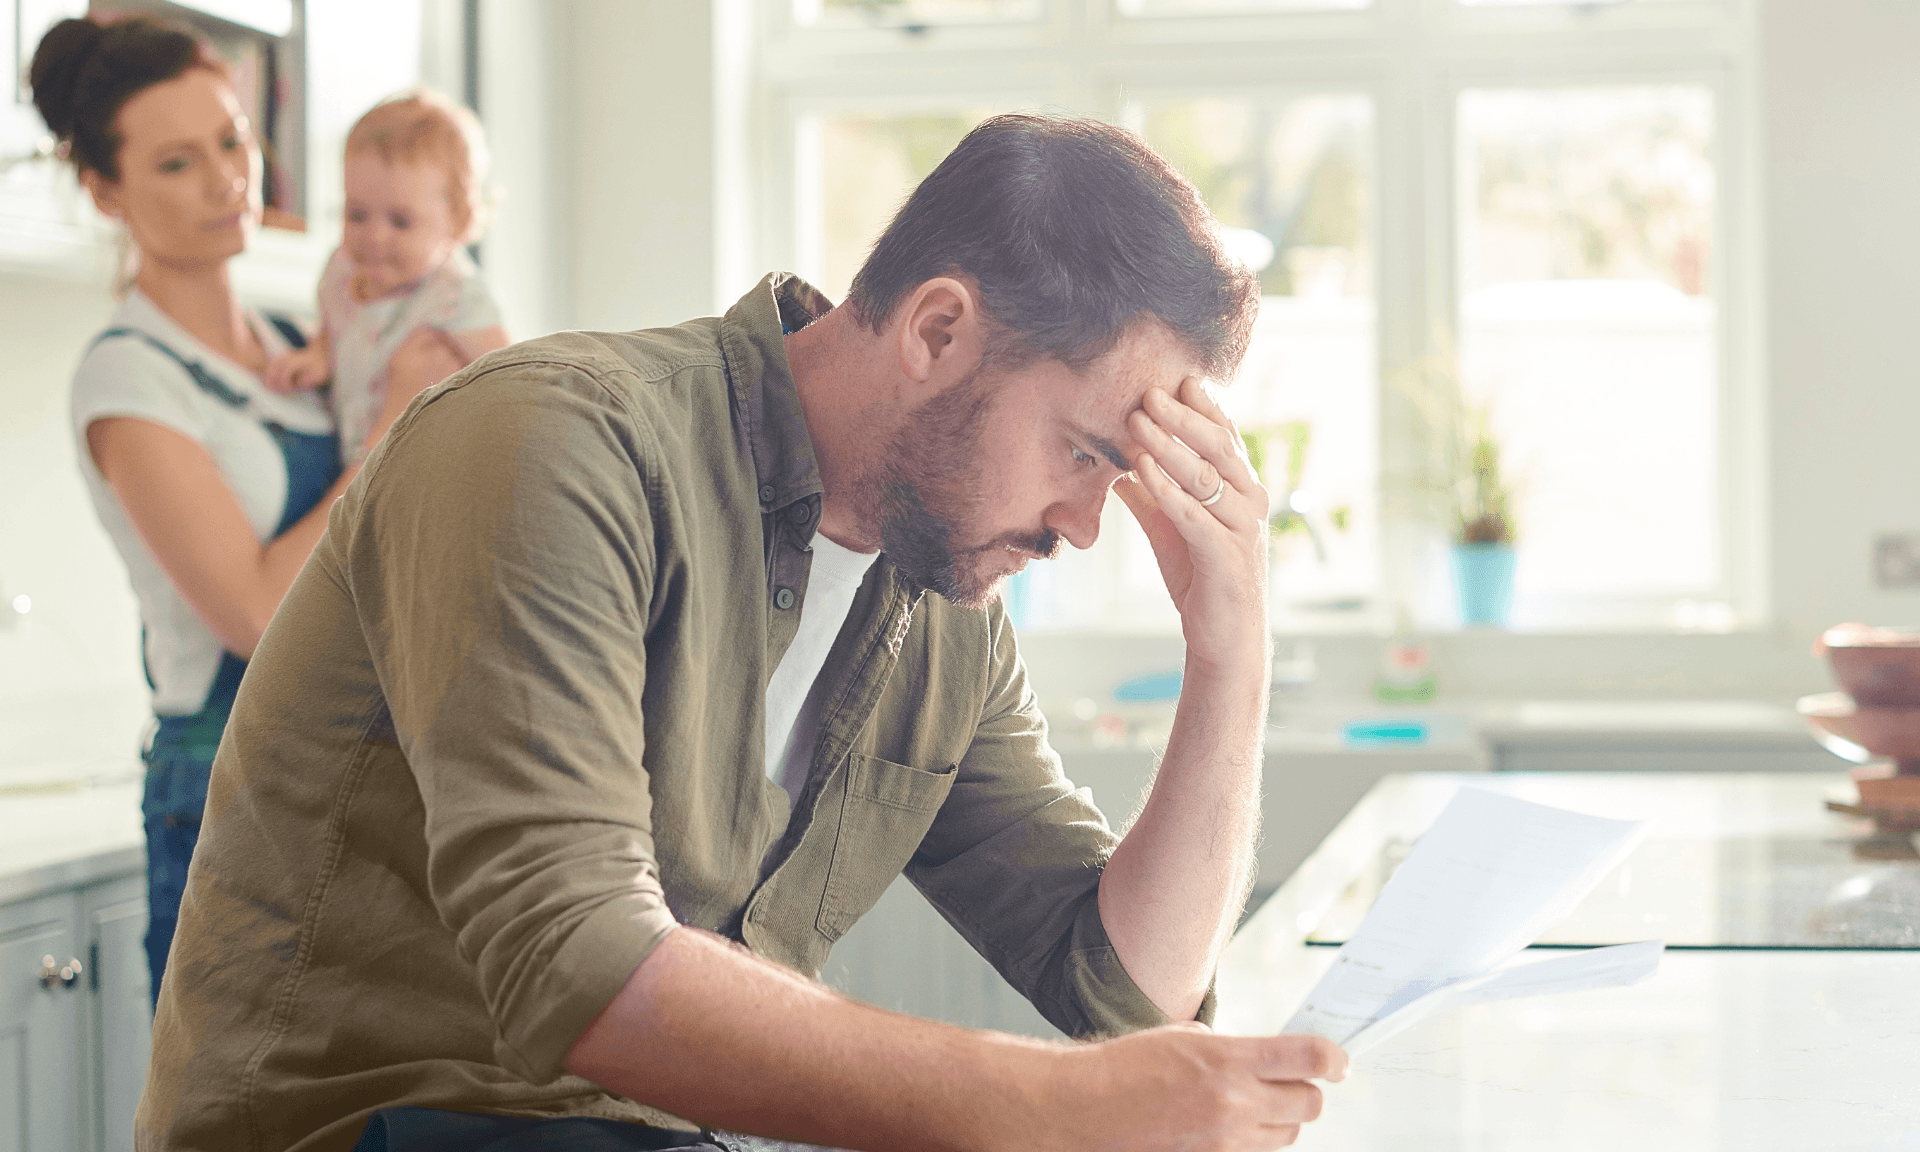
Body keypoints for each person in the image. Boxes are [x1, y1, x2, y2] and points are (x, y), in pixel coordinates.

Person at [139, 113, 1348, 1152]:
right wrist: (1040, 1105)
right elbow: (576, 959)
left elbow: (1126, 989)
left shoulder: (942, 617)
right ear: (937, 331)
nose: (1089, 525)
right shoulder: (552, 446)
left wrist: (1231, 652)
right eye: (1086, 453)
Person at [29, 14, 459, 1001]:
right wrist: (399, 420)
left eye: (232, 140)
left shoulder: (297, 346)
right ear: (105, 190)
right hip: (232, 791)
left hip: (370, 777)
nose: (227, 178)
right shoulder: (128, 380)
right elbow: (261, 613)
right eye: (178, 162)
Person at [263, 90, 512, 468]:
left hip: (432, 468)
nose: (375, 237)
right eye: (357, 214)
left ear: (457, 222)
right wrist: (319, 357)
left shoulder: (456, 297)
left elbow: (512, 375)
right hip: (359, 463)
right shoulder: (342, 269)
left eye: (401, 221)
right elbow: (332, 330)